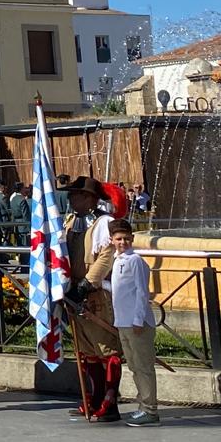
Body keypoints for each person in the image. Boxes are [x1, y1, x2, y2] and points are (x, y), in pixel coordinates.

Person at [64, 176, 123, 422]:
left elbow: (106, 256)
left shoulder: (105, 223)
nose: (71, 199)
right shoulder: (69, 222)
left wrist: (87, 283)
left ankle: (110, 400)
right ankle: (95, 396)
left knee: (106, 348)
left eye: (76, 195)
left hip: (96, 294)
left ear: (89, 198)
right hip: (73, 294)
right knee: (87, 350)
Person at [106, 218, 158, 427]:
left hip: (137, 323)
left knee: (144, 366)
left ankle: (150, 409)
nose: (123, 242)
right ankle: (143, 405)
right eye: (118, 239)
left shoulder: (135, 260)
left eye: (126, 238)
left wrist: (138, 320)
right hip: (123, 322)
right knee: (135, 366)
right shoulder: (118, 261)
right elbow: (119, 290)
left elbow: (142, 292)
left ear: (132, 238)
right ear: (112, 240)